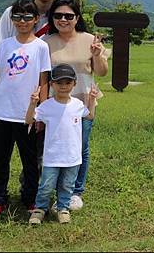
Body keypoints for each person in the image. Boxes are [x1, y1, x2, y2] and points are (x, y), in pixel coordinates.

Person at [0, 0, 61, 209]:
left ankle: (30, 195)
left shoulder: (58, 15)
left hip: (38, 94)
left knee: (32, 151)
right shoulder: (12, 12)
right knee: (0, 149)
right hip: (8, 96)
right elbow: (0, 51)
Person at [44, 0, 110, 210]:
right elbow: (43, 76)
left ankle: (75, 192)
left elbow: (101, 72)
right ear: (52, 17)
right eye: (58, 15)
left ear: (77, 18)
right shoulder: (46, 42)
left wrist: (98, 56)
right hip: (54, 105)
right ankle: (52, 190)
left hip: (83, 101)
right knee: (54, 148)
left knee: (80, 148)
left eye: (68, 16)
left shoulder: (90, 40)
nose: (63, 19)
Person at [26, 64, 98, 224]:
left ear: (74, 83)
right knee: (46, 185)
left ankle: (63, 208)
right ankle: (39, 209)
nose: (63, 86)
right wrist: (33, 103)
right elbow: (29, 120)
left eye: (67, 82)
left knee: (67, 185)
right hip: (52, 156)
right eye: (59, 83)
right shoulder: (47, 106)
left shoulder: (78, 105)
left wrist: (92, 100)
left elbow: (90, 116)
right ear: (52, 84)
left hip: (72, 157)